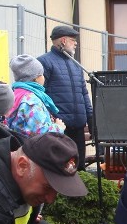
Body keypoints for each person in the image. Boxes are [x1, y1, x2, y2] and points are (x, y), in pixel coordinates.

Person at [38, 26, 93, 164]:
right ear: (63, 40)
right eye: (73, 40)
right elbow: (40, 94)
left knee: (79, 167)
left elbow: (84, 93)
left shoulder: (75, 64)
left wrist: (91, 119)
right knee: (62, 167)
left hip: (78, 127)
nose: (76, 43)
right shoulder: (44, 62)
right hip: (59, 128)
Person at [6, 55, 64, 137]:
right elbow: (41, 131)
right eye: (42, 74)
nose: (44, 77)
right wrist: (59, 127)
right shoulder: (31, 101)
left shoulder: (15, 94)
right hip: (31, 147)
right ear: (36, 78)